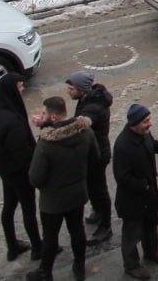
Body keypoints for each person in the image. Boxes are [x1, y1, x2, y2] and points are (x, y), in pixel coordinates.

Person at [28, 96, 98, 281]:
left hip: (53, 200)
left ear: (52, 117)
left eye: (44, 113)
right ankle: (79, 266)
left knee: (50, 236)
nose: (41, 115)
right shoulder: (86, 132)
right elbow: (95, 158)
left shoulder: (46, 143)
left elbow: (35, 178)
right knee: (77, 230)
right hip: (77, 194)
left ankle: (45, 272)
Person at [0, 72, 42, 262]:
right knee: (28, 209)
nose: (22, 89)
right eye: (20, 86)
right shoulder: (13, 121)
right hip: (19, 173)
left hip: (4, 170)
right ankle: (37, 248)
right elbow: (24, 154)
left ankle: (12, 245)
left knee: (9, 206)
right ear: (12, 89)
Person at [113, 104, 158, 279]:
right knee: (132, 234)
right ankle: (131, 265)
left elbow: (152, 147)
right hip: (133, 198)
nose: (150, 124)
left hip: (149, 192)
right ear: (134, 123)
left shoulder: (144, 135)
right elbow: (122, 177)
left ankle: (152, 251)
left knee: (151, 224)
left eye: (149, 119)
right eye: (146, 121)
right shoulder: (123, 145)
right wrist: (143, 185)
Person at [66, 71, 113, 244]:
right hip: (92, 153)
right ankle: (98, 211)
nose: (68, 91)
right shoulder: (86, 100)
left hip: (97, 156)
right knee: (93, 188)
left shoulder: (93, 108)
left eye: (71, 88)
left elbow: (78, 126)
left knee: (99, 190)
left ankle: (106, 226)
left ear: (82, 89)